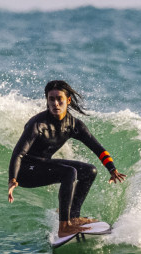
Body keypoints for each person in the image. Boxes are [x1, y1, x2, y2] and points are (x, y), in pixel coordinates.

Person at [8, 80, 126, 237]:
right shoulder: (38, 124)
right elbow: (19, 154)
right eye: (51, 99)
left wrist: (112, 169)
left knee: (89, 171)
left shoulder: (73, 124)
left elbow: (97, 148)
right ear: (47, 100)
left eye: (59, 99)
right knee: (69, 173)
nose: (55, 103)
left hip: (44, 164)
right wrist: (13, 179)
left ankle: (72, 216)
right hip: (25, 172)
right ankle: (64, 227)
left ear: (68, 100)